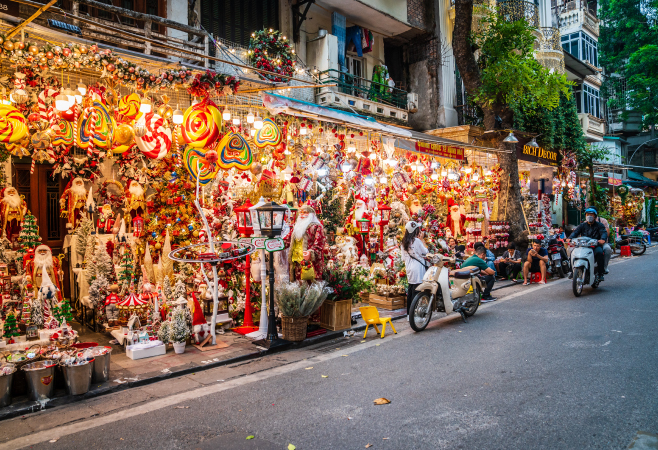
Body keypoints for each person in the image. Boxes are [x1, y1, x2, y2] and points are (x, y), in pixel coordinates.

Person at [567, 207, 607, 283]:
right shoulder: (582, 225)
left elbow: (603, 233)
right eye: (588, 214)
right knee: (572, 252)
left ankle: (600, 273)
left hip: (595, 245)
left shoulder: (600, 225)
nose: (589, 216)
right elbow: (576, 232)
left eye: (591, 215)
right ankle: (572, 272)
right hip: (583, 246)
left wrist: (602, 239)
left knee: (599, 253)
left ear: (595, 216)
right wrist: (570, 238)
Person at [400, 221, 429, 314]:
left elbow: (403, 258)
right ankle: (415, 314)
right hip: (418, 268)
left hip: (409, 268)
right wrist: (422, 240)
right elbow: (425, 252)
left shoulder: (403, 242)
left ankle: (409, 314)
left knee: (411, 290)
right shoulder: (416, 241)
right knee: (417, 291)